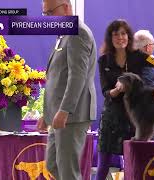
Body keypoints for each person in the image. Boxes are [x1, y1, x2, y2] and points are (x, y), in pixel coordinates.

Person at [96, 19, 154, 180]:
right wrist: (117, 90)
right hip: (112, 117)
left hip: (136, 117)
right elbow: (105, 91)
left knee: (139, 162)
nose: (120, 38)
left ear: (129, 36)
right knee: (102, 166)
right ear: (110, 38)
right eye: (115, 34)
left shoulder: (142, 56)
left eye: (123, 33)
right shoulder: (103, 60)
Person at [37, 0, 97, 179]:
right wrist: (47, 113)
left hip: (72, 114)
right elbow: (58, 77)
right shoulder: (64, 34)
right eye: (45, 14)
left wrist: (64, 110)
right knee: (53, 165)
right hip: (60, 114)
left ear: (66, 7)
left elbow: (77, 77)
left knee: (67, 171)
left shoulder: (78, 32)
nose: (47, 18)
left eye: (50, 13)